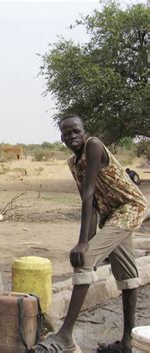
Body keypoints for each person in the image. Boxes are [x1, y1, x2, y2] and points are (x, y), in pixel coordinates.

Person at [36, 115, 147, 353]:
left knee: (84, 259)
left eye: (76, 131)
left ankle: (65, 336)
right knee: (128, 276)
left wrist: (83, 242)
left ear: (85, 132)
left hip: (129, 208)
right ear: (62, 137)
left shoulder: (94, 146)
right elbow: (93, 202)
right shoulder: (73, 163)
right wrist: (90, 235)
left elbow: (88, 195)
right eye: (67, 134)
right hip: (110, 215)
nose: (72, 137)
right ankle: (128, 343)